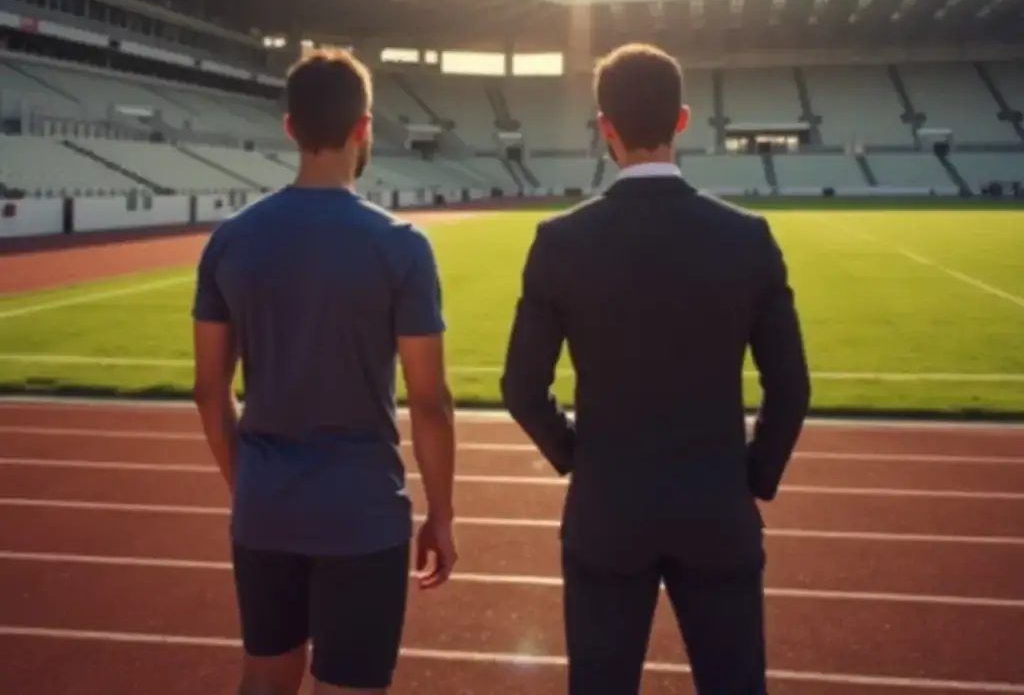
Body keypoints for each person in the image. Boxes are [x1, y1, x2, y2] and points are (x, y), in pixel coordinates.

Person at [501, 42, 810, 695]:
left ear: (604, 126)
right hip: (716, 507)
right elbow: (791, 387)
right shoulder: (746, 237)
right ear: (683, 119)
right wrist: (753, 474)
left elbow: (523, 388)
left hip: (608, 510)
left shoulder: (560, 242)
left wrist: (578, 455)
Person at [191, 50, 457, 695]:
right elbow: (429, 399)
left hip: (264, 508)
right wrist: (443, 515)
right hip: (362, 512)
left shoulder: (231, 239)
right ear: (364, 128)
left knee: (266, 674)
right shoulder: (400, 244)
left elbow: (208, 389)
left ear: (290, 128)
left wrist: (245, 480)